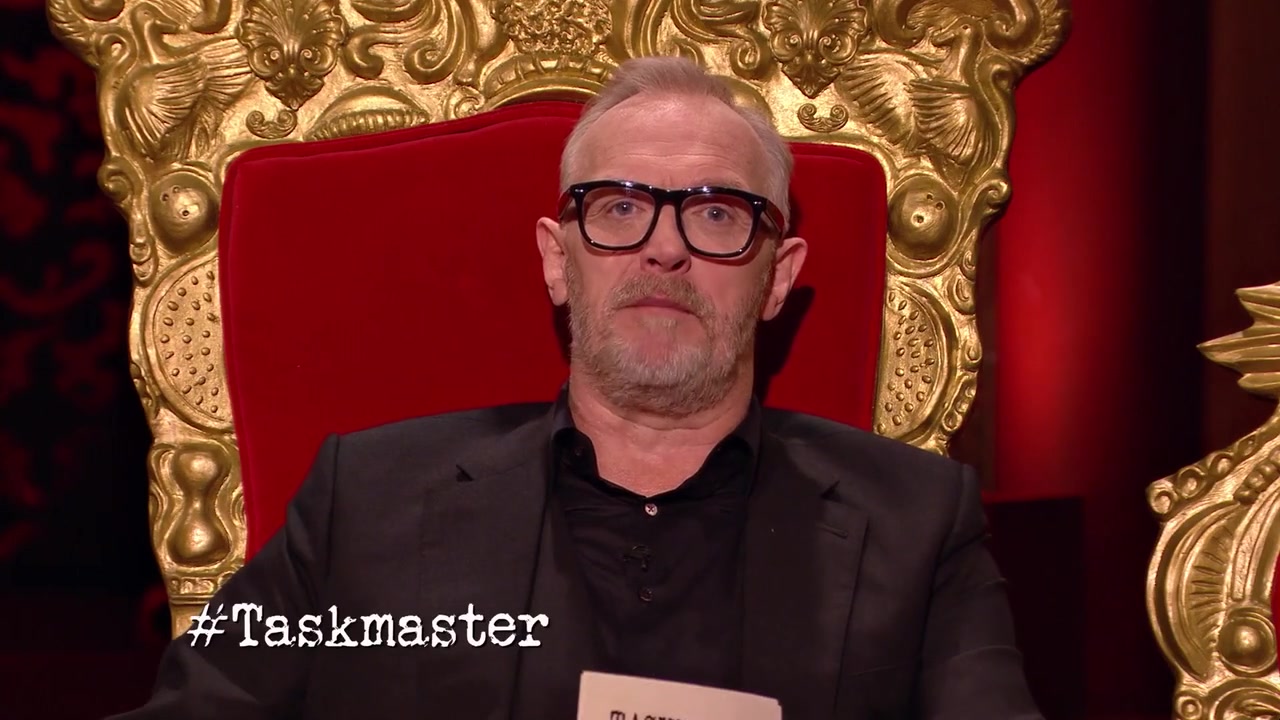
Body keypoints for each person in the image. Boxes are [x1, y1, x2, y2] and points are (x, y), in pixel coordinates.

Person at [111, 56, 1042, 720]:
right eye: (620, 208)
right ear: (558, 262)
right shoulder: (368, 502)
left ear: (778, 275)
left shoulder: (917, 524)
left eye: (719, 213)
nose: (665, 248)